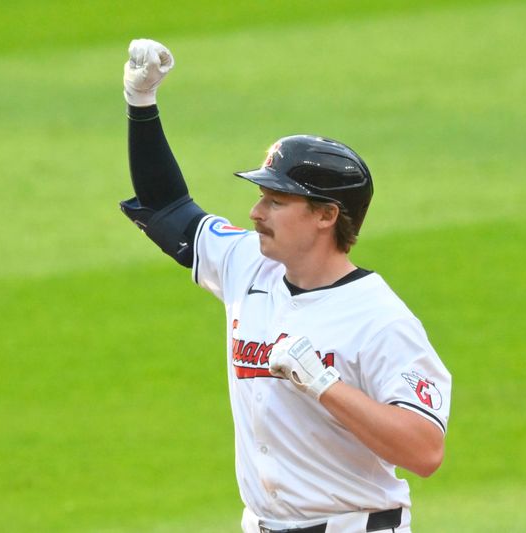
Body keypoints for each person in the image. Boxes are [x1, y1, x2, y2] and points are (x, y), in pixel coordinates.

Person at [120, 38, 452, 533]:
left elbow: (425, 450)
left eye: (276, 200)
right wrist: (141, 104)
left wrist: (323, 384)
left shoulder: (381, 320)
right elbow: (168, 207)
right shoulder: (247, 263)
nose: (255, 212)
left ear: (325, 215)